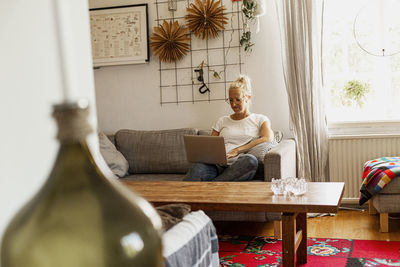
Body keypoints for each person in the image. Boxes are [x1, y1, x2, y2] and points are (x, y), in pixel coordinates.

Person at [184, 75, 274, 181]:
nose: (233, 104)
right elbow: (210, 145)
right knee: (197, 168)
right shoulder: (222, 120)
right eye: (230, 100)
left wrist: (237, 150)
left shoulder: (260, 119)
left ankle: (214, 186)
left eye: (237, 99)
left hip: (239, 164)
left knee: (250, 161)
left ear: (247, 98)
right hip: (216, 165)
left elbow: (267, 138)